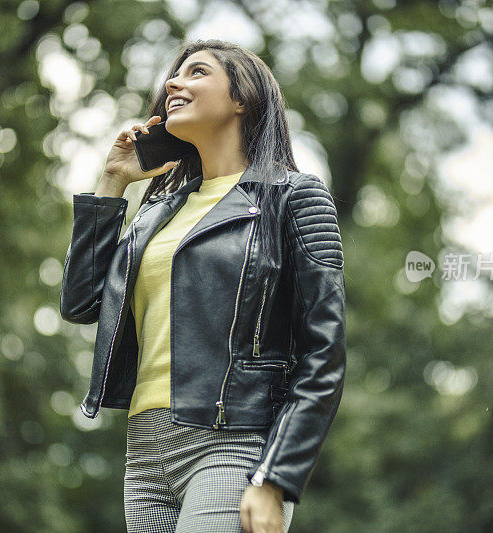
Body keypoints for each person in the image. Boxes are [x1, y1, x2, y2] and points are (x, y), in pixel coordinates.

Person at [60, 39, 346, 533]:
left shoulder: (293, 198)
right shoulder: (159, 212)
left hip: (232, 442)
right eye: (174, 75)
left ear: (242, 97)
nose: (174, 82)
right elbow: (84, 304)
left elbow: (323, 355)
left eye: (196, 72)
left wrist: (275, 476)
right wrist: (112, 183)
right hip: (145, 451)